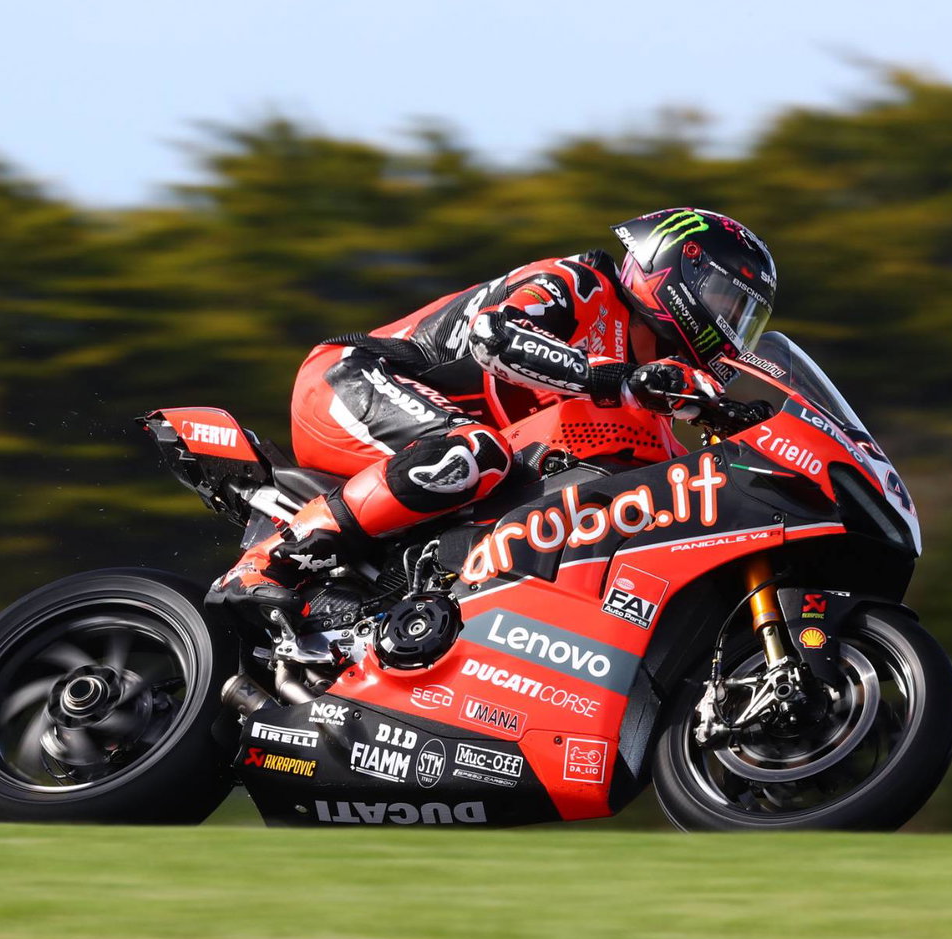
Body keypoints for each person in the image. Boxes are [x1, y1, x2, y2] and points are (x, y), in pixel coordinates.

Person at [208, 207, 777, 628]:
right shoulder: (579, 283)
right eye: (729, 303)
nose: (731, 327)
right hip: (350, 378)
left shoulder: (646, 381)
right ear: (677, 268)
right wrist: (615, 379)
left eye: (745, 319)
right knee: (474, 451)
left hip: (431, 442)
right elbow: (494, 336)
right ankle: (267, 564)